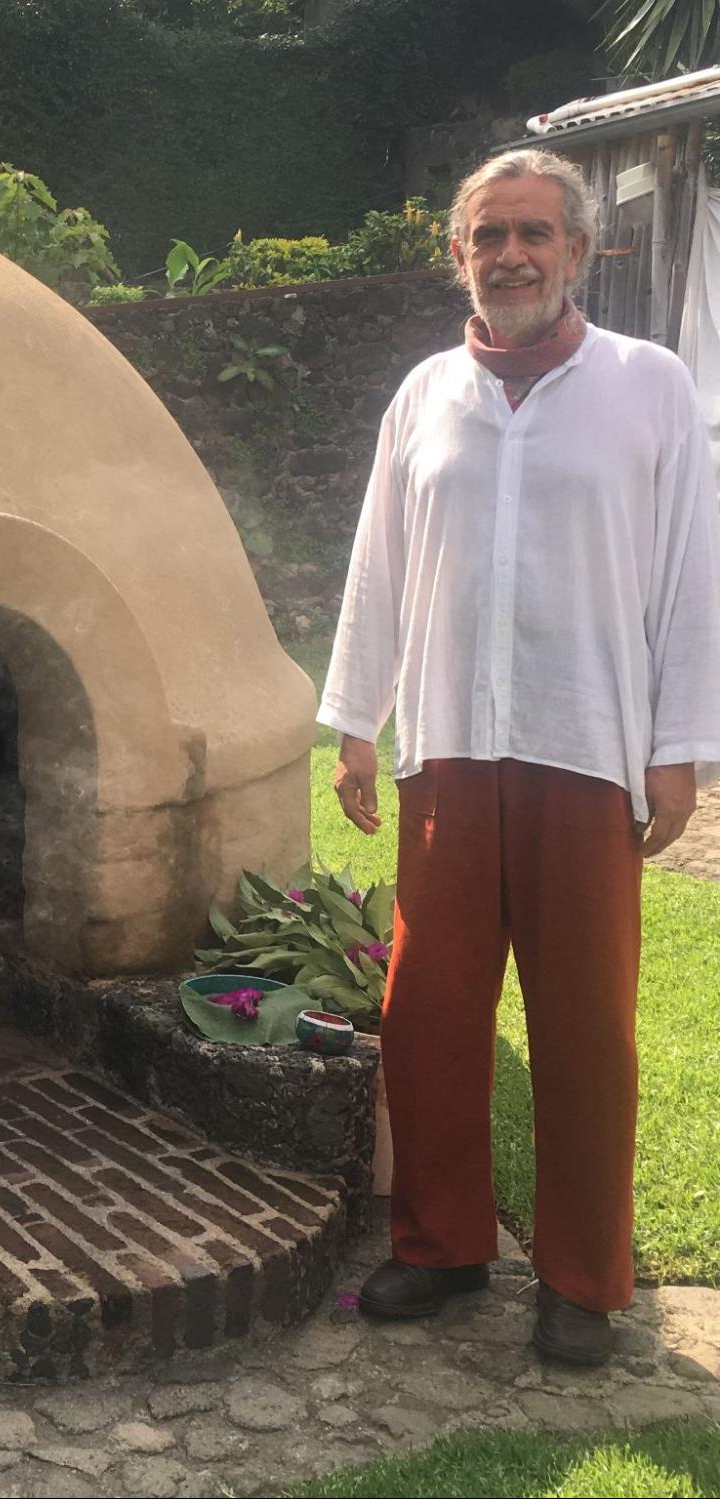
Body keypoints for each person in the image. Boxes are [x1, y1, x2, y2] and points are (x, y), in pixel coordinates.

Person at [318, 147, 720, 1365]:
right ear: (459, 254)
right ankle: (441, 1245)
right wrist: (353, 722)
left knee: (584, 1023)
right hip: (447, 748)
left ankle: (583, 1277)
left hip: (584, 748)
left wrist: (679, 750)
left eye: (534, 233)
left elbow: (694, 576)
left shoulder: (649, 388)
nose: (510, 255)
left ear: (581, 250)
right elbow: (377, 565)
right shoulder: (422, 394)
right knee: (427, 1009)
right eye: (487, 235)